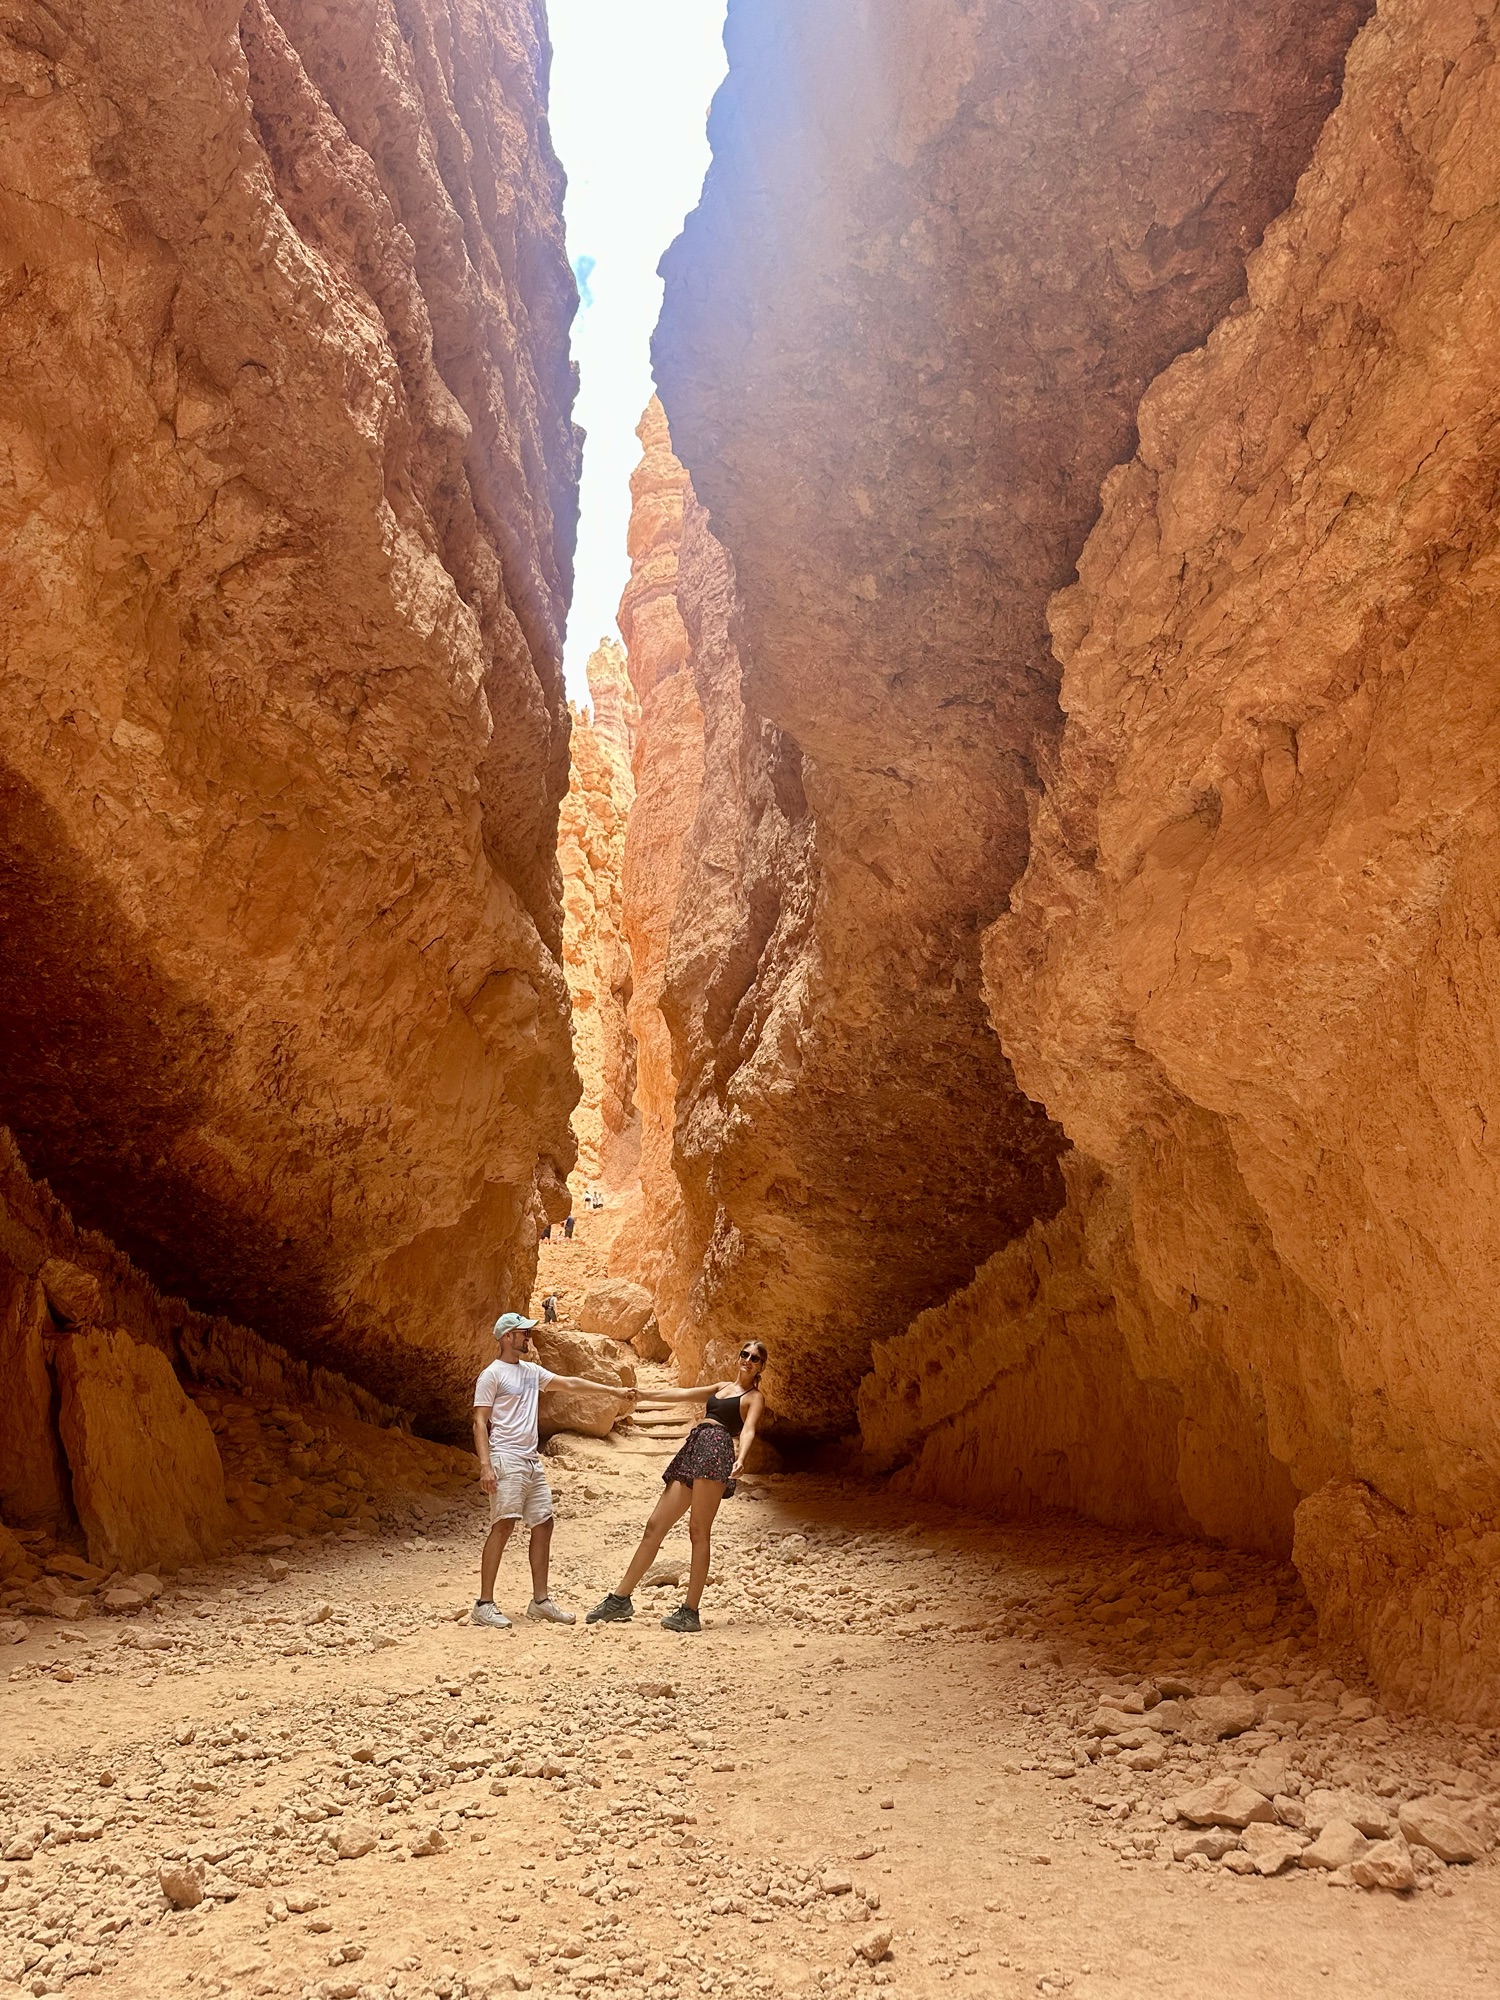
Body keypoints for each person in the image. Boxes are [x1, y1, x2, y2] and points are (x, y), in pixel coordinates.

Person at [586, 1340, 767, 1634]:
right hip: (695, 1445)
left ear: (761, 1366)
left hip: (716, 1450)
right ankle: (620, 1599)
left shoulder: (754, 1397)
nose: (748, 1360)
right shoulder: (721, 1387)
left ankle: (690, 1611)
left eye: (755, 1358)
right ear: (738, 1357)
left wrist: (742, 1457)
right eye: (744, 1354)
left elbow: (748, 1429)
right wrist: (644, 1394)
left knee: (698, 1531)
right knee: (655, 1525)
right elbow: (683, 1393)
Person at [472, 1312, 635, 1630]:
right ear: (508, 1337)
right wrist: (485, 1466)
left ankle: (540, 1602)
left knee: (544, 1525)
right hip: (506, 1458)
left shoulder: (531, 1372)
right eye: (524, 1333)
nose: (528, 1338)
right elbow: (480, 1421)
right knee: (503, 1526)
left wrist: (614, 1392)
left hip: (531, 1461)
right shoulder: (491, 1375)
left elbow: (571, 1384)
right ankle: (484, 1604)